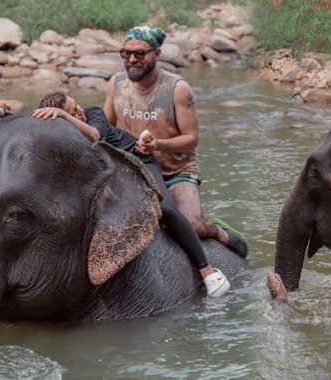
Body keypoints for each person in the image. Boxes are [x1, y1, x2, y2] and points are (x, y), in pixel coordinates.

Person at [29, 92, 231, 297]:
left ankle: (207, 270)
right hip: (110, 174)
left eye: (76, 105)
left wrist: (65, 116)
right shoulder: (62, 136)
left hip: (139, 162)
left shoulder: (93, 114)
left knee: (165, 208)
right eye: (74, 110)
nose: (80, 110)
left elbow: (94, 136)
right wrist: (3, 112)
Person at [102, 25, 248, 258]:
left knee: (192, 225)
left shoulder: (177, 89)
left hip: (176, 171)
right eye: (126, 53)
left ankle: (217, 230)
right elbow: (106, 127)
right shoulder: (116, 84)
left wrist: (157, 145)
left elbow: (192, 139)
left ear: (157, 54)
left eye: (140, 53)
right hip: (136, 168)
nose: (131, 59)